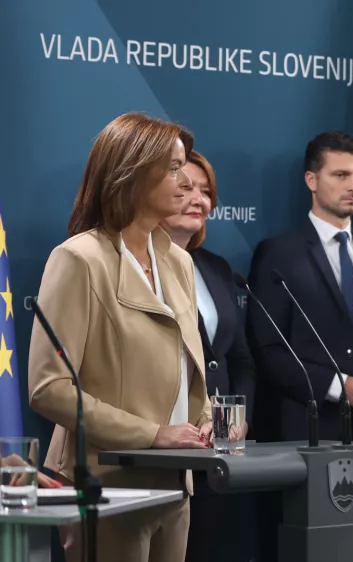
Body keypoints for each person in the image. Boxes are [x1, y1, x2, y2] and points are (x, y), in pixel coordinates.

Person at [27, 112, 214, 562]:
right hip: (104, 483)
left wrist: (207, 419)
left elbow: (187, 367)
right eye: (173, 169)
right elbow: (48, 388)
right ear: (132, 172)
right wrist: (153, 434)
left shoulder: (179, 262)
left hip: (175, 482)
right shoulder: (79, 259)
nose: (186, 182)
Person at [246, 131, 353, 560]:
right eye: (341, 175)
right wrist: (341, 387)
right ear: (311, 180)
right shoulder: (278, 253)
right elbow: (268, 350)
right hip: (307, 434)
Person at [158, 149, 258, 562]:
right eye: (186, 188)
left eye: (206, 191)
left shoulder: (216, 268)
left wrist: (236, 419)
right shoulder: (137, 267)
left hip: (215, 450)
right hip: (163, 450)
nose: (198, 199)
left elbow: (240, 360)